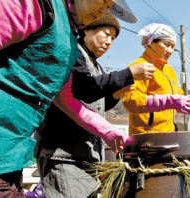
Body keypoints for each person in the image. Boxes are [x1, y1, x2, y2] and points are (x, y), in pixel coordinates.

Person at [0, 0, 136, 196]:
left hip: (8, 154)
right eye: (104, 0)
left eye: (109, 6)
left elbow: (64, 97)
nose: (104, 11)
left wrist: (107, 131)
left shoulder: (68, 40)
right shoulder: (36, 1)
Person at [35, 12, 155, 198]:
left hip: (88, 158)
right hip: (63, 155)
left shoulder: (96, 66)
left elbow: (96, 104)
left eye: (113, 39)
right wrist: (128, 74)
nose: (109, 42)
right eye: (106, 34)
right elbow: (86, 88)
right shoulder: (73, 53)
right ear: (86, 30)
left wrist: (116, 93)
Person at [121, 23, 190, 135]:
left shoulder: (169, 71)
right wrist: (170, 101)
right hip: (146, 136)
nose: (170, 50)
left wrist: (188, 103)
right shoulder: (139, 66)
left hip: (168, 134)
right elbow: (130, 100)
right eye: (166, 44)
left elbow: (176, 98)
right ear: (151, 43)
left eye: (173, 47)